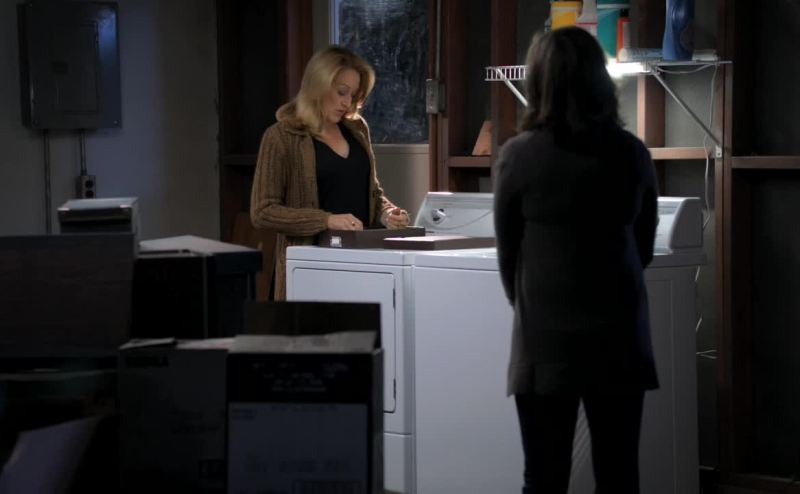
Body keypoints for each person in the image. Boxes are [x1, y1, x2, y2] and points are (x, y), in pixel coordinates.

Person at [493, 27, 659, 494]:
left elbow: (509, 255)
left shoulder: (519, 156)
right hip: (619, 335)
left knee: (544, 476)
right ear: (600, 80)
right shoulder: (631, 153)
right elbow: (643, 247)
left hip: (545, 340)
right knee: (619, 475)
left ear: (538, 82)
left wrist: (529, 301)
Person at [250, 45, 409, 300]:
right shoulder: (281, 137)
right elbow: (262, 212)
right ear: (318, 85)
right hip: (309, 271)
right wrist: (326, 220)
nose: (347, 103)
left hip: (363, 267)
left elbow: (372, 192)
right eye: (341, 92)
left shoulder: (357, 130)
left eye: (353, 95)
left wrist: (387, 213)